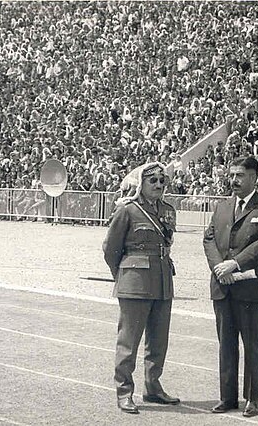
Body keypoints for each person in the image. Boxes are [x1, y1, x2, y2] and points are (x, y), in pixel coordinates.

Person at [202, 156, 258, 418]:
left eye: (240, 175)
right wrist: (219, 267)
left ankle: (252, 399)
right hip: (222, 285)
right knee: (226, 343)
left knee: (252, 344)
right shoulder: (222, 206)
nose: (234, 180)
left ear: (254, 177)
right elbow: (209, 238)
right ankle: (227, 397)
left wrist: (233, 264)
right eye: (232, 175)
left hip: (250, 289)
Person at [102, 162, 180, 415]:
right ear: (140, 184)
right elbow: (110, 248)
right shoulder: (127, 210)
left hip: (162, 280)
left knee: (158, 340)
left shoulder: (167, 210)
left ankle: (153, 387)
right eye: (153, 180)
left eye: (162, 180)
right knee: (129, 341)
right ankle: (124, 391)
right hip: (135, 281)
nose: (158, 185)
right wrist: (122, 275)